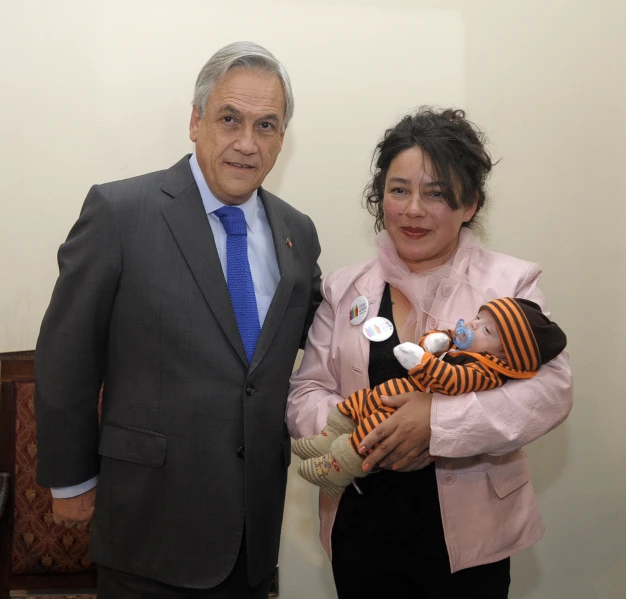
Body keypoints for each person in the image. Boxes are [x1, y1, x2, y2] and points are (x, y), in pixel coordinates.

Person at [34, 41, 322, 599]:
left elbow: (317, 338)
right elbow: (67, 352)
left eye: (266, 125)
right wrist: (71, 480)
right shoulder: (121, 212)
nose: (246, 143)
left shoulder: (297, 230)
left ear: (282, 139)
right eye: (229, 119)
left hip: (253, 531)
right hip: (149, 527)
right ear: (195, 121)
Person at [286, 107, 572, 598]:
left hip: (468, 546)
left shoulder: (512, 282)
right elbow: (306, 391)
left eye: (436, 193)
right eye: (399, 190)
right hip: (361, 527)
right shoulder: (343, 287)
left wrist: (435, 424)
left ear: (470, 204)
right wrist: (369, 434)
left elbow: (550, 392)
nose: (413, 209)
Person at [293, 297, 567, 497]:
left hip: (469, 511)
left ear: (505, 356)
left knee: (377, 425)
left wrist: (430, 410)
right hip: (360, 516)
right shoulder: (341, 284)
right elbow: (308, 386)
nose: (474, 324)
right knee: (362, 400)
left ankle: (341, 464)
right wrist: (437, 341)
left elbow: (452, 381)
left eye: (485, 330)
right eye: (479, 318)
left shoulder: (486, 370)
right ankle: (329, 438)